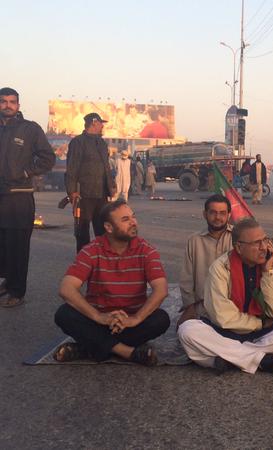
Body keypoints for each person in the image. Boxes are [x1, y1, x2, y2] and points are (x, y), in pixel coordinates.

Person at [177, 218, 273, 375]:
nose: (263, 248)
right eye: (256, 243)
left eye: (265, 240)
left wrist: (268, 272)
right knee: (188, 331)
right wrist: (259, 323)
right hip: (226, 333)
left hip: (264, 335)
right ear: (239, 247)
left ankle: (232, 358)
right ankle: (262, 359)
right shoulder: (220, 268)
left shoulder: (271, 264)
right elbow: (223, 317)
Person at [54, 200, 170, 365]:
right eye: (125, 220)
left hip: (130, 322)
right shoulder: (92, 250)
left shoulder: (146, 250)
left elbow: (161, 290)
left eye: (133, 217)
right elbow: (66, 288)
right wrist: (99, 317)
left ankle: (86, 349)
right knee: (64, 314)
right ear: (108, 227)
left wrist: (135, 319)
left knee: (161, 319)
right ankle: (127, 352)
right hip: (97, 321)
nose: (133, 222)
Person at [0, 87, 55, 308]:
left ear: (18, 105)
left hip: (18, 199)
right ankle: (7, 281)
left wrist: (24, 173)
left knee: (17, 247)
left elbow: (47, 158)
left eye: (12, 102)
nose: (7, 105)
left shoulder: (30, 129)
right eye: (3, 101)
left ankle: (17, 291)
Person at [178, 194, 233, 327]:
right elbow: (187, 278)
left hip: (232, 306)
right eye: (213, 213)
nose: (218, 217)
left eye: (222, 213)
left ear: (229, 215)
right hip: (202, 307)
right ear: (205, 214)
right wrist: (189, 307)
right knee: (185, 332)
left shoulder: (238, 239)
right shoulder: (194, 241)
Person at [66, 112, 116, 253]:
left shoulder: (101, 143)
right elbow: (71, 168)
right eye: (101, 123)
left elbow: (106, 167)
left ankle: (103, 259)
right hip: (83, 195)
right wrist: (72, 192)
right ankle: (84, 261)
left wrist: (111, 185)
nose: (102, 126)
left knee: (103, 230)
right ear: (94, 123)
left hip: (101, 194)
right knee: (82, 231)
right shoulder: (78, 142)